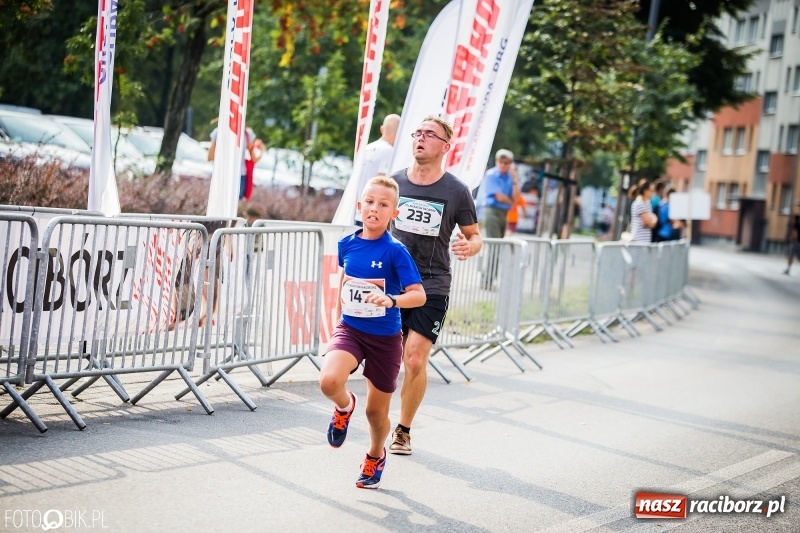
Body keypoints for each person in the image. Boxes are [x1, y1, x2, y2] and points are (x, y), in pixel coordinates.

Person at [319, 176, 426, 489]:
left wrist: (391, 299)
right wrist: (340, 313)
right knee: (328, 380)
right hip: (351, 328)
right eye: (369, 202)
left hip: (385, 340)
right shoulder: (347, 244)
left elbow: (418, 295)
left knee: (376, 413)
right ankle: (343, 406)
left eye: (383, 204)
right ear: (359, 206)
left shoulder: (396, 252)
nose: (374, 209)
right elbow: (347, 279)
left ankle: (376, 453)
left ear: (394, 213)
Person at [388, 115, 483, 456]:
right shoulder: (393, 184)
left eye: (430, 134)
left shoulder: (456, 191)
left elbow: (475, 236)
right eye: (418, 133)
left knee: (414, 359)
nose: (421, 138)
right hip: (393, 284)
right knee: (390, 358)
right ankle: (375, 421)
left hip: (432, 284)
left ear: (445, 146)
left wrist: (467, 247)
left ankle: (403, 430)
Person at [355, 114, 401, 225]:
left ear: (382, 129)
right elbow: (382, 181)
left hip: (360, 208)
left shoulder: (366, 148)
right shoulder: (389, 151)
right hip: (375, 214)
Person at [207, 125, 264, 200]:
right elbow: (254, 159)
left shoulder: (220, 130)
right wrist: (261, 150)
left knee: (221, 203)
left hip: (228, 174)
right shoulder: (245, 133)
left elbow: (210, 157)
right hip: (235, 175)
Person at [481, 149, 520, 239]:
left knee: (500, 242)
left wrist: (515, 179)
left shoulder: (511, 176)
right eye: (500, 162)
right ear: (496, 162)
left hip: (504, 213)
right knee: (494, 243)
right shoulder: (491, 174)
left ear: (510, 164)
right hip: (492, 211)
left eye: (506, 163)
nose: (502, 165)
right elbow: (499, 198)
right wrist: (512, 201)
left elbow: (516, 198)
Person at [629, 178, 657, 243]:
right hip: (638, 240)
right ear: (645, 191)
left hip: (645, 240)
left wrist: (651, 220)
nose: (652, 193)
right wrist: (654, 218)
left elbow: (648, 222)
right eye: (651, 191)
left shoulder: (647, 203)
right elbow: (649, 222)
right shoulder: (639, 203)